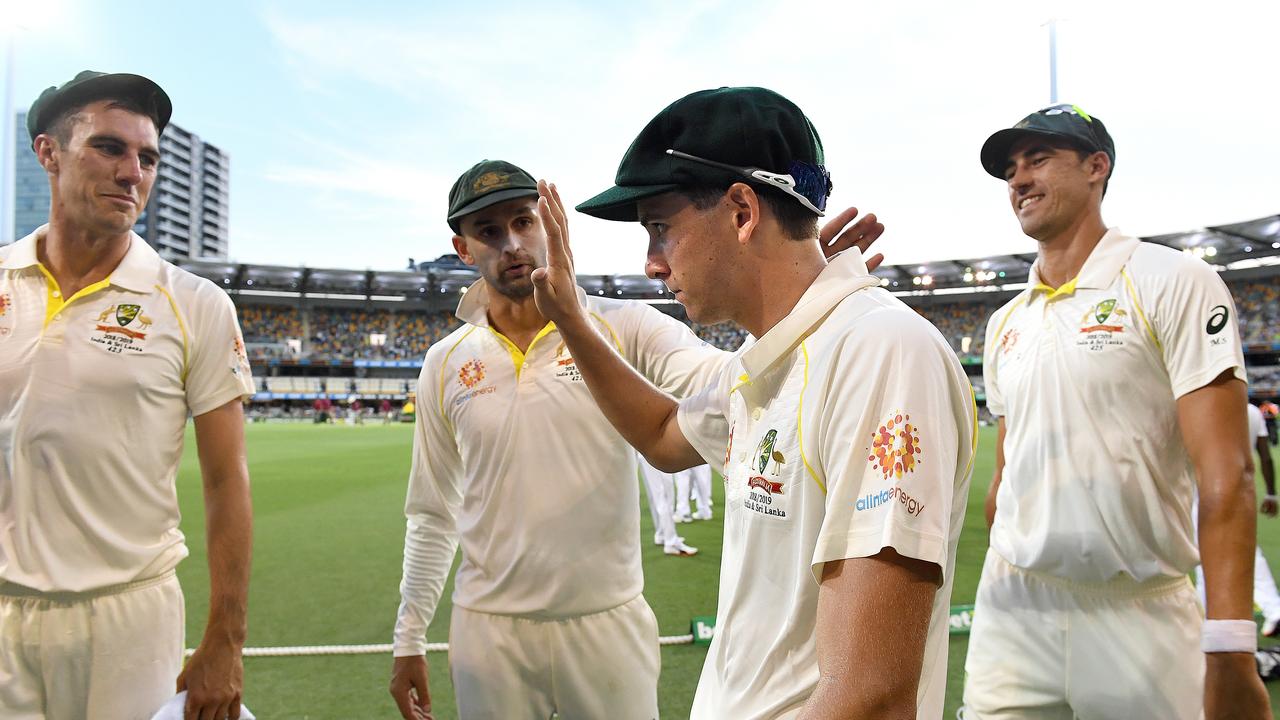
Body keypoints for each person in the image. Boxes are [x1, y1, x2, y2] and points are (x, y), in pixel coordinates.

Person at [530, 86, 976, 719]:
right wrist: (574, 322)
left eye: (660, 228)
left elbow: (870, 694)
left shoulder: (879, 351)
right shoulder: (763, 362)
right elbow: (661, 435)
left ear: (742, 210)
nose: (652, 263)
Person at [387, 158, 887, 719]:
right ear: (463, 250)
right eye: (488, 231)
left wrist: (797, 299)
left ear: (551, 223)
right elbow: (432, 510)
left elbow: (735, 385)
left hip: (608, 619)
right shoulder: (446, 362)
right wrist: (409, 636)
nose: (512, 244)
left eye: (524, 221)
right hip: (487, 628)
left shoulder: (624, 326)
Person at [965, 103, 1270, 719]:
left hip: (1140, 607)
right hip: (1014, 605)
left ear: (1097, 167)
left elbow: (1228, 474)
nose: (1018, 179)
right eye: (1010, 169)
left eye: (1039, 158)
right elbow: (1005, 475)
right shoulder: (1004, 323)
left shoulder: (1172, 280)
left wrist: (1232, 644)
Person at [0, 71, 254, 719]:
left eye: (147, 157)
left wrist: (226, 639)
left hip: (127, 616)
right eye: (109, 148)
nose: (132, 172)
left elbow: (227, 482)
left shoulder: (194, 304)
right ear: (47, 153)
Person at [637, 451, 699, 555]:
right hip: (655, 450)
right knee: (664, 496)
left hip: (646, 450)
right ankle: (671, 542)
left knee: (656, 496)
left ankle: (662, 534)